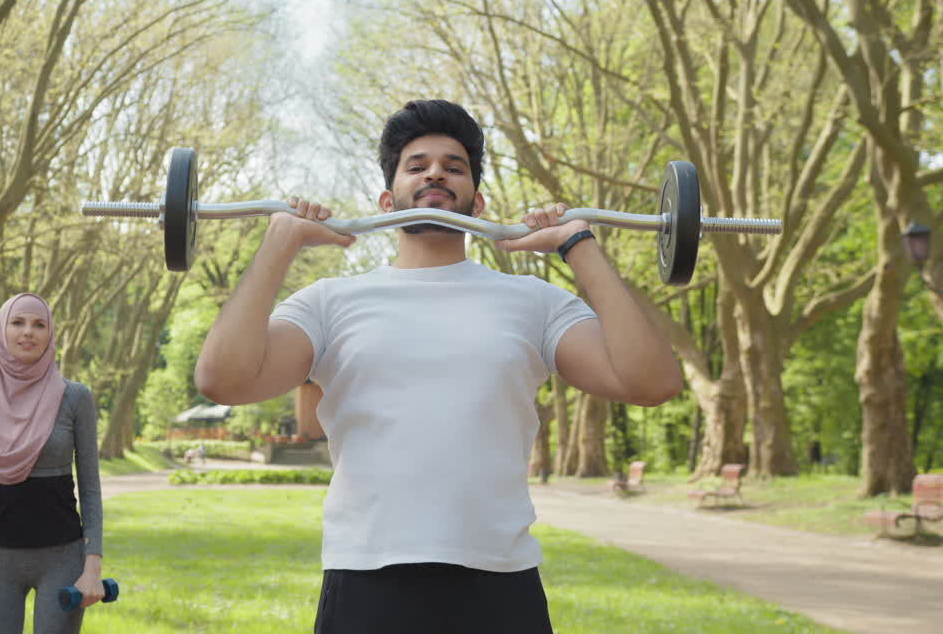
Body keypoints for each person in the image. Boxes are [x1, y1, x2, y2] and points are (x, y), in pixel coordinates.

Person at [194, 100, 683, 633]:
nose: (435, 173)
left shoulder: (533, 301)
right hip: (366, 579)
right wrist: (278, 244)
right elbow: (223, 380)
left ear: (477, 203)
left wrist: (578, 245)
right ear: (387, 200)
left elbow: (652, 382)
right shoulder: (329, 303)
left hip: (501, 582)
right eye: (417, 165)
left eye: (454, 167)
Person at [0, 293, 105, 634]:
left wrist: (92, 567)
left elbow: (89, 487)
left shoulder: (74, 397)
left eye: (39, 324)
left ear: (50, 334)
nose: (29, 332)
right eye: (18, 322)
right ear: (1, 330)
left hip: (62, 558)